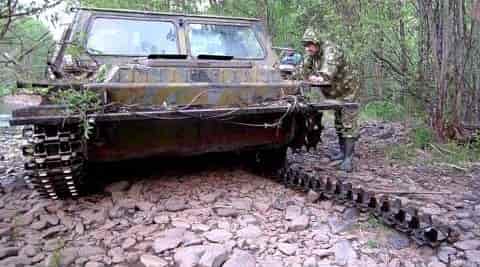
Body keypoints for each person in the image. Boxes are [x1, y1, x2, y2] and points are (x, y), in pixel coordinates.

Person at [300, 27, 359, 172]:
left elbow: (326, 75)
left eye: (310, 44)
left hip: (348, 91)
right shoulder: (312, 54)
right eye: (305, 45)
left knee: (348, 123)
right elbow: (302, 70)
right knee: (339, 122)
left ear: (317, 42)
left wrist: (315, 77)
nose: (308, 48)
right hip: (334, 93)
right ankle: (342, 153)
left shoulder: (330, 51)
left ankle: (348, 158)